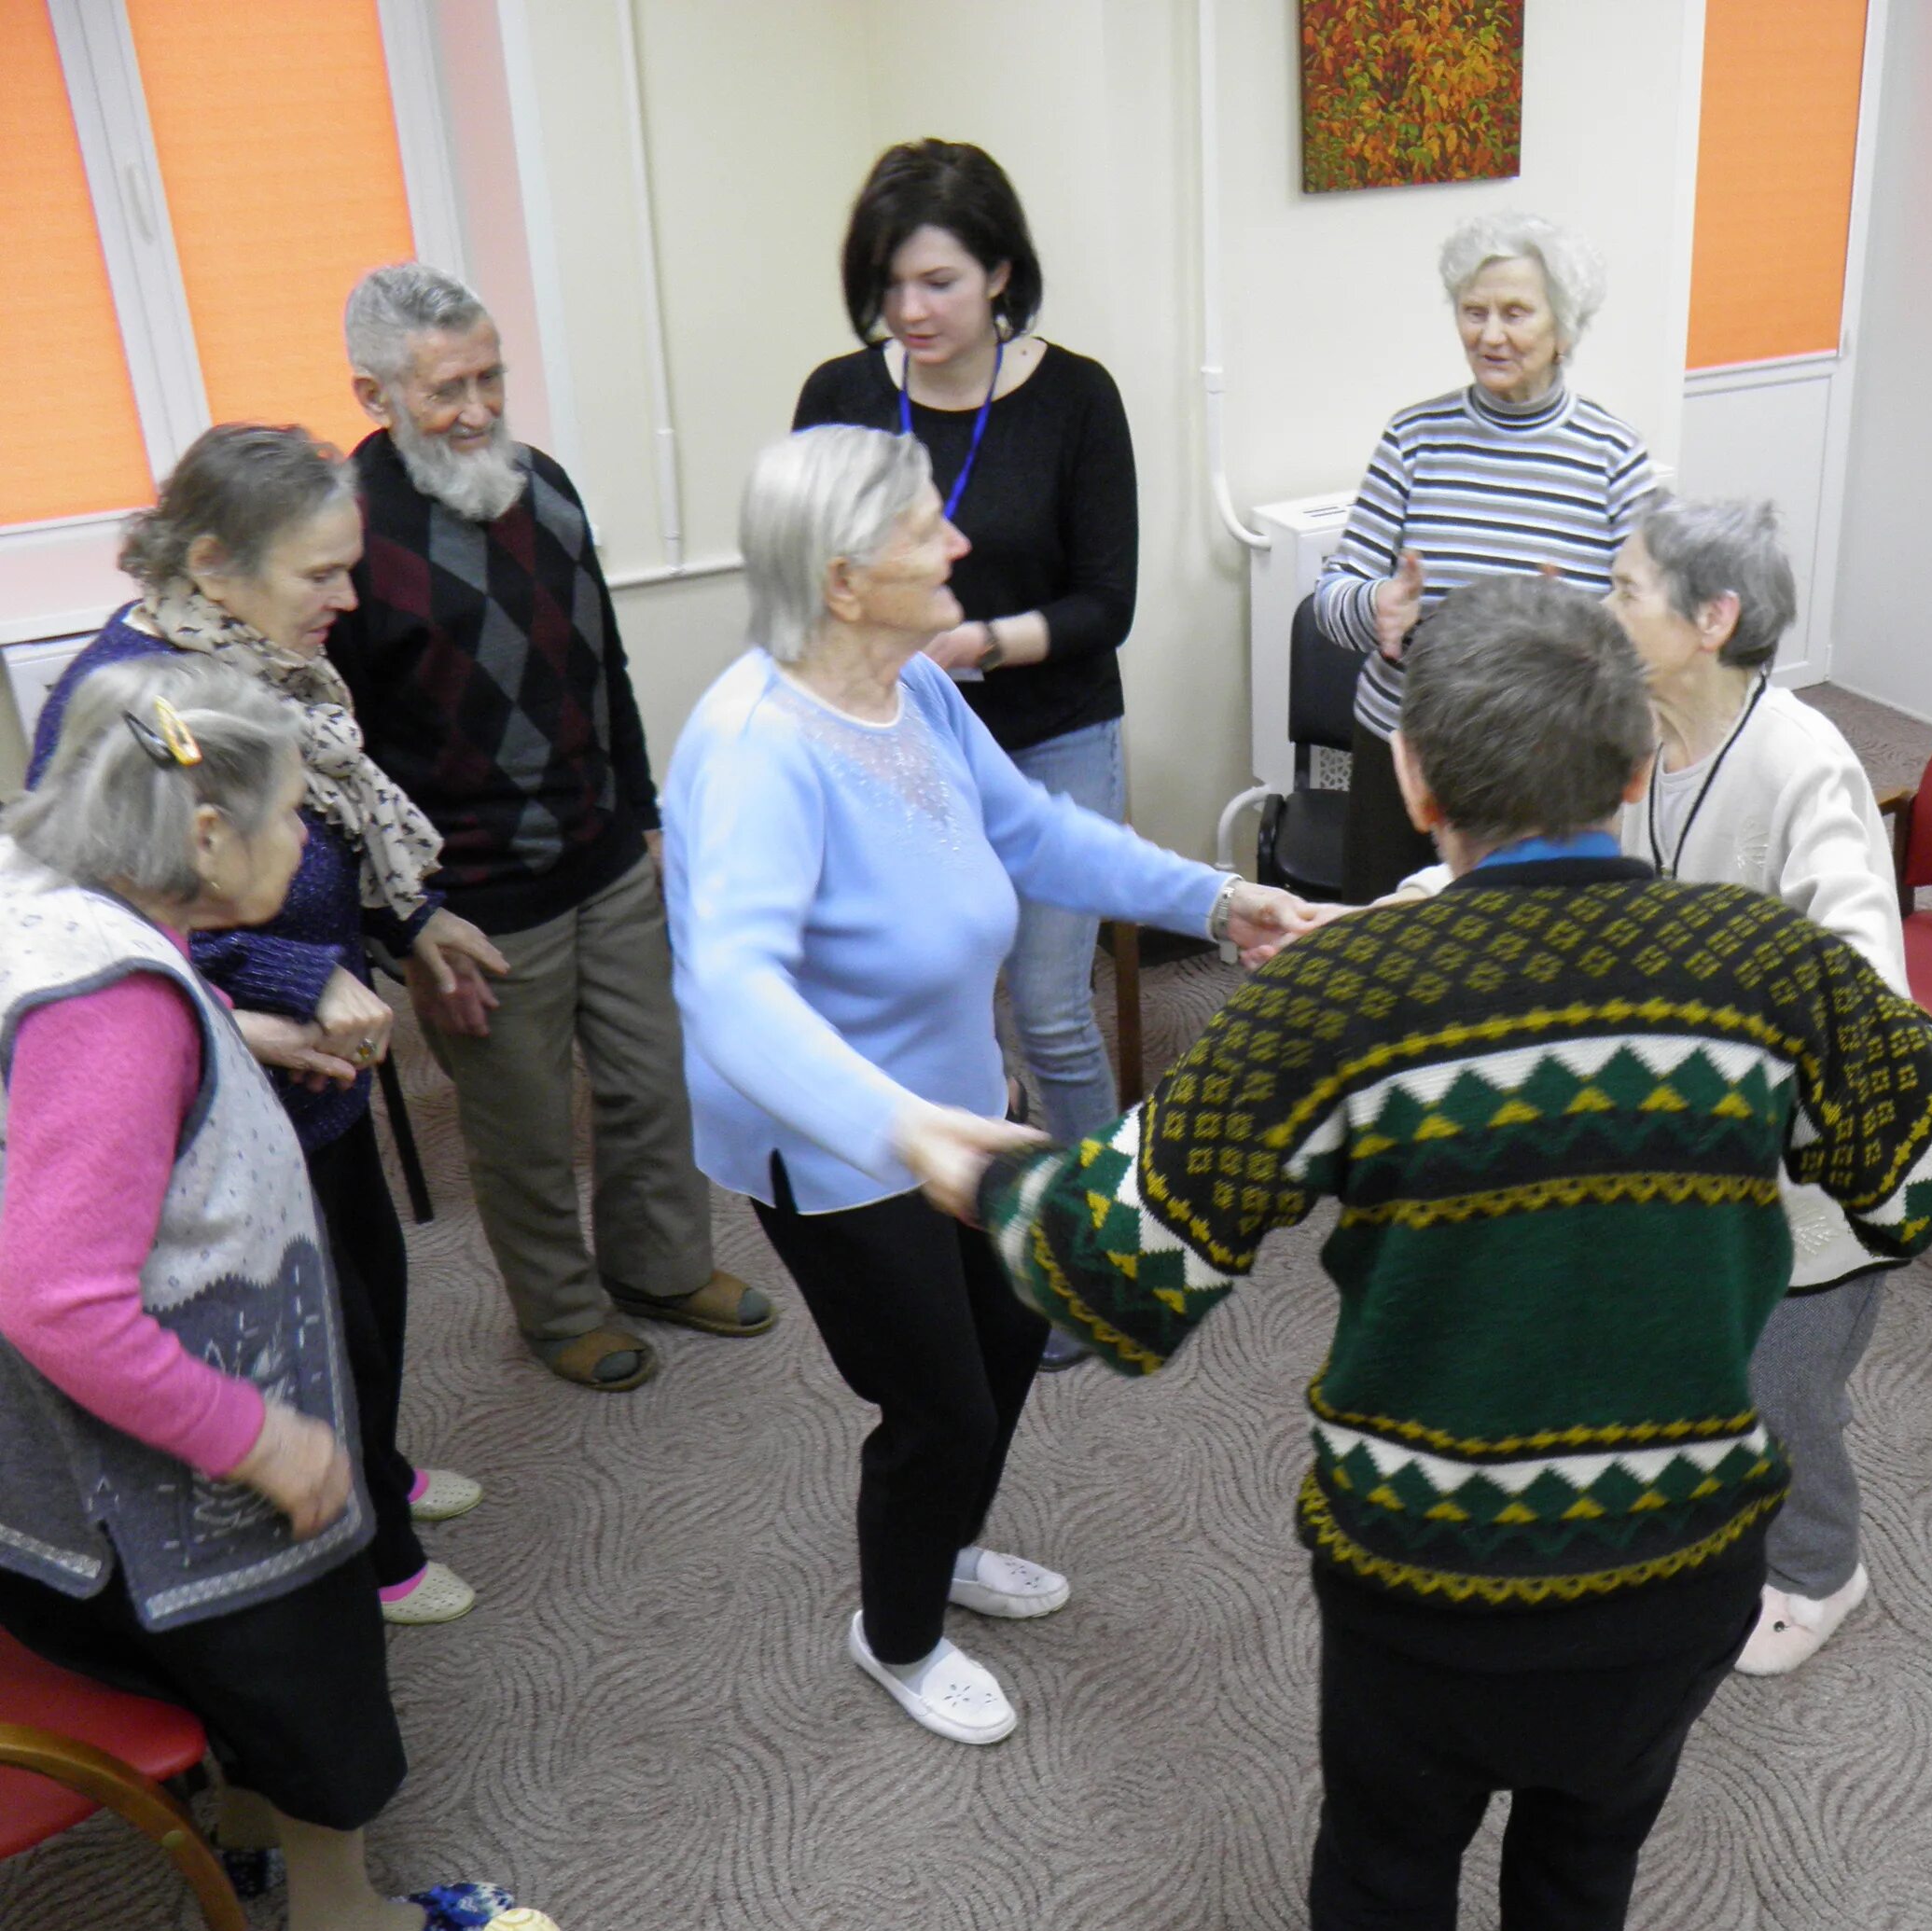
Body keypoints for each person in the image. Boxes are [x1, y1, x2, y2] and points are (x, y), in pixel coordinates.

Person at [914, 577, 1932, 1931]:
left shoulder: (1343, 1001)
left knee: (1386, 1864)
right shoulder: (1773, 969)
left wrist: (973, 1164)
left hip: (1424, 1584)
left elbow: (1114, 1268)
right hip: (1683, 1563)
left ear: (1416, 783)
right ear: (1639, 771)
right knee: (1593, 1839)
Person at [661, 424, 1319, 1746]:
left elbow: (1032, 832)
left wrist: (1218, 894)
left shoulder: (914, 686)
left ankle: (946, 1545)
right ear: (845, 578)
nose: (960, 543)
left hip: (958, 1103)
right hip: (839, 1146)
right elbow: (732, 993)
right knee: (934, 1402)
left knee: (1015, 1330)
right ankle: (896, 1631)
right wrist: (900, 1129)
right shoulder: (752, 749)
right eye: (926, 527)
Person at [0, 657, 511, 1931]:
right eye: (295, 814)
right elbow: (56, 1295)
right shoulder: (109, 1003)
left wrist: (254, 1032)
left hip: (93, 1463)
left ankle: (241, 1831)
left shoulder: (55, 897)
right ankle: (342, 1929)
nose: (310, 843)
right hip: (178, 1451)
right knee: (297, 1664)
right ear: (206, 831)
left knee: (209, 1665)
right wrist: (264, 1440)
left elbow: (97, 1078)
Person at [31, 424, 502, 1627]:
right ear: (213, 559)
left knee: (367, 1298)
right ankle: (372, 1546)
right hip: (227, 1087)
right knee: (307, 1326)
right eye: (321, 574)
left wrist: (418, 921)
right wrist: (297, 976)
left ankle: (379, 1474)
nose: (349, 597)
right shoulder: (128, 702)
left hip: (317, 1079)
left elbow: (331, 826)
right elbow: (113, 915)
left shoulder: (272, 661)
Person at [329, 263, 771, 1396]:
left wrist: (645, 816)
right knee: (524, 1137)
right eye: (444, 391)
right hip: (480, 905)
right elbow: (342, 763)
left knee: (652, 1082)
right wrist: (412, 926)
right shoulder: (347, 537)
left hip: (607, 856)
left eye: (490, 377)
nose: (477, 410)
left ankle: (662, 1267)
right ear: (375, 395)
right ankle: (560, 1312)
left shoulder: (547, 486)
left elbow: (602, 664)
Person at [792, 144, 1139, 1188]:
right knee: (931, 1010)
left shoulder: (1076, 398)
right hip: (895, 747)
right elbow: (813, 578)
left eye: (938, 281)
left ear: (999, 274)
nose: (911, 309)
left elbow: (1106, 606)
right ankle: (976, 1220)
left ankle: (1099, 1241)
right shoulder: (840, 395)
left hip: (1055, 738)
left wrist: (978, 643)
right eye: (890, 283)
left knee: (1048, 1010)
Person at [1606, 497, 1910, 1675]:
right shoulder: (1632, 730)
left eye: (1627, 589)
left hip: (1803, 1181)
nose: (1606, 605)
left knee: (1787, 1389)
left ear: (1712, 619)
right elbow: (1529, 860)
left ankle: (1823, 1572)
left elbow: (1866, 992)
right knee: (1694, 1359)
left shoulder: (1803, 766)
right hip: (1684, 1161)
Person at [1314, 212, 1655, 905]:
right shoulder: (1414, 438)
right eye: (1474, 312)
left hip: (1546, 767)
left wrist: (1582, 631)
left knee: (1523, 967)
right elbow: (1331, 596)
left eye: (1515, 313)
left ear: (1564, 329)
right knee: (1386, 954)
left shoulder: (1612, 456)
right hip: (1407, 749)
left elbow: (1658, 617)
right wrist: (1376, 608)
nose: (1489, 335)